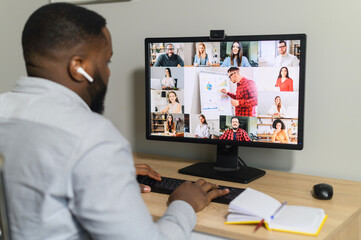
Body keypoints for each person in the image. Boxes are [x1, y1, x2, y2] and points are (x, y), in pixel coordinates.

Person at [0, 3, 228, 239]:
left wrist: (103, 174)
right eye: (106, 62)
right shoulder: (92, 137)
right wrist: (184, 204)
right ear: (79, 67)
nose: (108, 73)